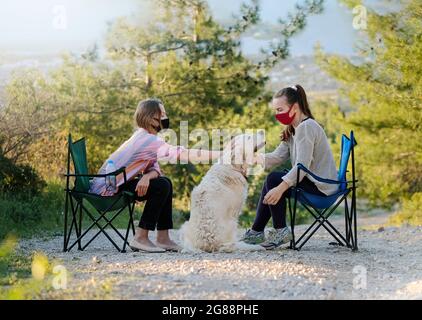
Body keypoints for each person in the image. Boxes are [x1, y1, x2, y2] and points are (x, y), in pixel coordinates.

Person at [89, 98, 221, 253]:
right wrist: (221, 154)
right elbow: (182, 154)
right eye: (161, 115)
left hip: (119, 183)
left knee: (165, 182)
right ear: (149, 117)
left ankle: (163, 238)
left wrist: (146, 177)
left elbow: (155, 168)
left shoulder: (145, 137)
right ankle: (141, 238)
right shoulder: (147, 139)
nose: (164, 118)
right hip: (109, 188)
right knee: (162, 185)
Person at [241, 85, 339, 250]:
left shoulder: (306, 128)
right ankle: (257, 232)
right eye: (276, 110)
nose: (278, 114)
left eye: (280, 109)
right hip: (310, 181)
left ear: (295, 107)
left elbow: (302, 166)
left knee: (274, 180)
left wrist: (280, 188)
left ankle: (272, 232)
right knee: (273, 179)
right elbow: (278, 157)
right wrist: (254, 158)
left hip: (322, 187)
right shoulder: (293, 129)